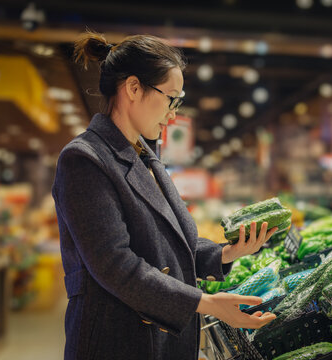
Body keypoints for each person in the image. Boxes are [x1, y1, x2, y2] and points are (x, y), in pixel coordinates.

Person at [52, 31, 277, 360]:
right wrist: (205, 303)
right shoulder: (84, 160)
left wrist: (227, 253)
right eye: (171, 97)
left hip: (157, 340)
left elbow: (168, 242)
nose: (174, 112)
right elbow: (117, 266)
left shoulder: (145, 156)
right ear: (133, 88)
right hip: (117, 342)